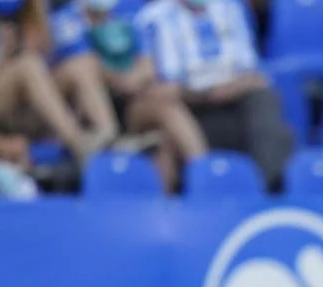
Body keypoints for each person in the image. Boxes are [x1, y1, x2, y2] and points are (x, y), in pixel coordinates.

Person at [137, 0, 293, 190]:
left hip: (235, 96)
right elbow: (162, 85)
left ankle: (270, 189)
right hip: (189, 104)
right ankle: (202, 184)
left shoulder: (231, 8)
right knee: (169, 117)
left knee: (265, 100)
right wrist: (210, 94)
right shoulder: (152, 18)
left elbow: (250, 69)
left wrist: (227, 89)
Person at [53, 0, 208, 191]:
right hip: (85, 112)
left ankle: (206, 177)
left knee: (167, 108)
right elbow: (84, 65)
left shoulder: (132, 11)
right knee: (85, 67)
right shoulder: (67, 19)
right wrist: (119, 79)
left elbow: (148, 65)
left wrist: (132, 80)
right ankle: (108, 134)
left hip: (130, 102)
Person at [0, 0, 106, 164]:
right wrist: (4, 59)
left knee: (79, 65)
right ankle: (78, 142)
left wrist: (36, 7)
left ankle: (108, 135)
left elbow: (45, 61)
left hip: (10, 119)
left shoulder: (15, 21)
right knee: (27, 65)